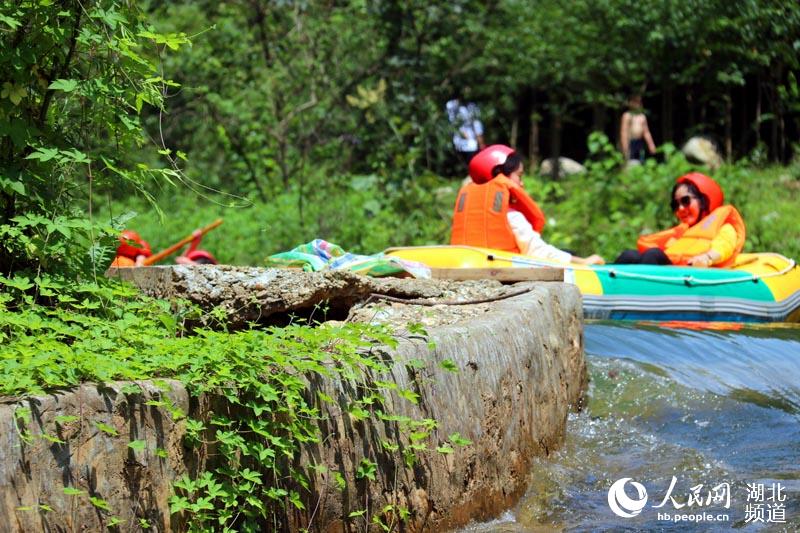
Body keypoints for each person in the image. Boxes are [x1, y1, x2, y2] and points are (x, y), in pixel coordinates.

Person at [450, 144, 605, 265]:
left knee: (566, 251)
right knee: (568, 252)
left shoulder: (471, 211)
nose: (522, 183)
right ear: (500, 174)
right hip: (502, 270)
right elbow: (538, 251)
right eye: (519, 175)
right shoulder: (511, 216)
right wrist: (582, 262)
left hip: (471, 265)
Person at [615, 172, 745, 267]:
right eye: (675, 205)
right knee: (630, 255)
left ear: (704, 201)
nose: (681, 208)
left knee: (653, 254)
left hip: (692, 274)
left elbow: (724, 247)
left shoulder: (724, 227)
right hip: (674, 270)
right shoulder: (682, 232)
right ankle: (601, 273)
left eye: (686, 201)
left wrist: (707, 258)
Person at [446, 97, 486, 168]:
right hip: (463, 142)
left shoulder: (472, 105)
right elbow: (455, 125)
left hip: (473, 140)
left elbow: (477, 124)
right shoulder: (451, 105)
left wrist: (480, 143)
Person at [619, 94, 656, 163]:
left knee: (640, 161)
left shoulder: (642, 117)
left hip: (639, 142)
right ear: (630, 103)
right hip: (630, 142)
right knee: (630, 162)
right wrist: (625, 146)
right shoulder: (627, 116)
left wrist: (651, 144)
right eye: (635, 102)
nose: (637, 104)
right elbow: (623, 132)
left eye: (639, 102)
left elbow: (646, 132)